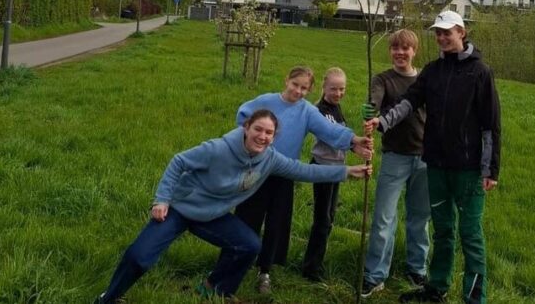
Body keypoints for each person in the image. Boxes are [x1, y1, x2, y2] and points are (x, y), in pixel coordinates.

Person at [93, 109, 372, 304]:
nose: (263, 136)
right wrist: (163, 199)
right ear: (246, 128)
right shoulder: (218, 149)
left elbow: (303, 171)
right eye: (258, 130)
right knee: (139, 257)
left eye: (269, 133)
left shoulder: (270, 159)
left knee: (250, 245)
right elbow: (179, 161)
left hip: (212, 216)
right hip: (179, 208)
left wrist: (346, 172)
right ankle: (109, 297)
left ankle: (215, 289)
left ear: (274, 137)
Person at [365, 10, 501, 304]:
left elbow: (491, 125)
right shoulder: (432, 70)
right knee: (442, 230)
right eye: (437, 33)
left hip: (467, 169)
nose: (441, 37)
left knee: (471, 236)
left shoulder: (480, 72)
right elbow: (410, 101)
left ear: (461, 33)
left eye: (447, 32)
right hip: (436, 165)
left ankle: (474, 298)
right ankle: (436, 287)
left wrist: (490, 170)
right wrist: (383, 121)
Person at [234, 66, 372, 295]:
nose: (298, 91)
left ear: (310, 90)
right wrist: (247, 141)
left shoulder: (307, 111)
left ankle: (265, 269)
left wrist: (353, 140)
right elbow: (243, 114)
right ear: (286, 80)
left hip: (284, 172)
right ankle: (237, 260)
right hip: (256, 170)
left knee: (277, 222)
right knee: (247, 216)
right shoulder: (266, 101)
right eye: (295, 84)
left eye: (304, 88)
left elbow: (329, 130)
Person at [361, 29, 429, 298]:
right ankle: (375, 275)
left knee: (420, 218)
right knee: (383, 219)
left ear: (415, 51)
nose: (400, 53)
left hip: (425, 157)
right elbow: (374, 99)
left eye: (406, 48)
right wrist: (371, 110)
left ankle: (417, 269)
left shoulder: (425, 79)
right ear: (390, 51)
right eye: (395, 48)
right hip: (395, 158)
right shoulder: (383, 79)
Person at [300, 67, 352, 281]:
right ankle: (311, 267)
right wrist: (354, 142)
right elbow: (332, 136)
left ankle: (317, 260)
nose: (338, 93)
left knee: (329, 218)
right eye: (334, 89)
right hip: (323, 168)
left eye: (342, 89)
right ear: (323, 87)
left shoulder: (336, 107)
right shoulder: (319, 110)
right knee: (322, 219)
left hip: (336, 169)